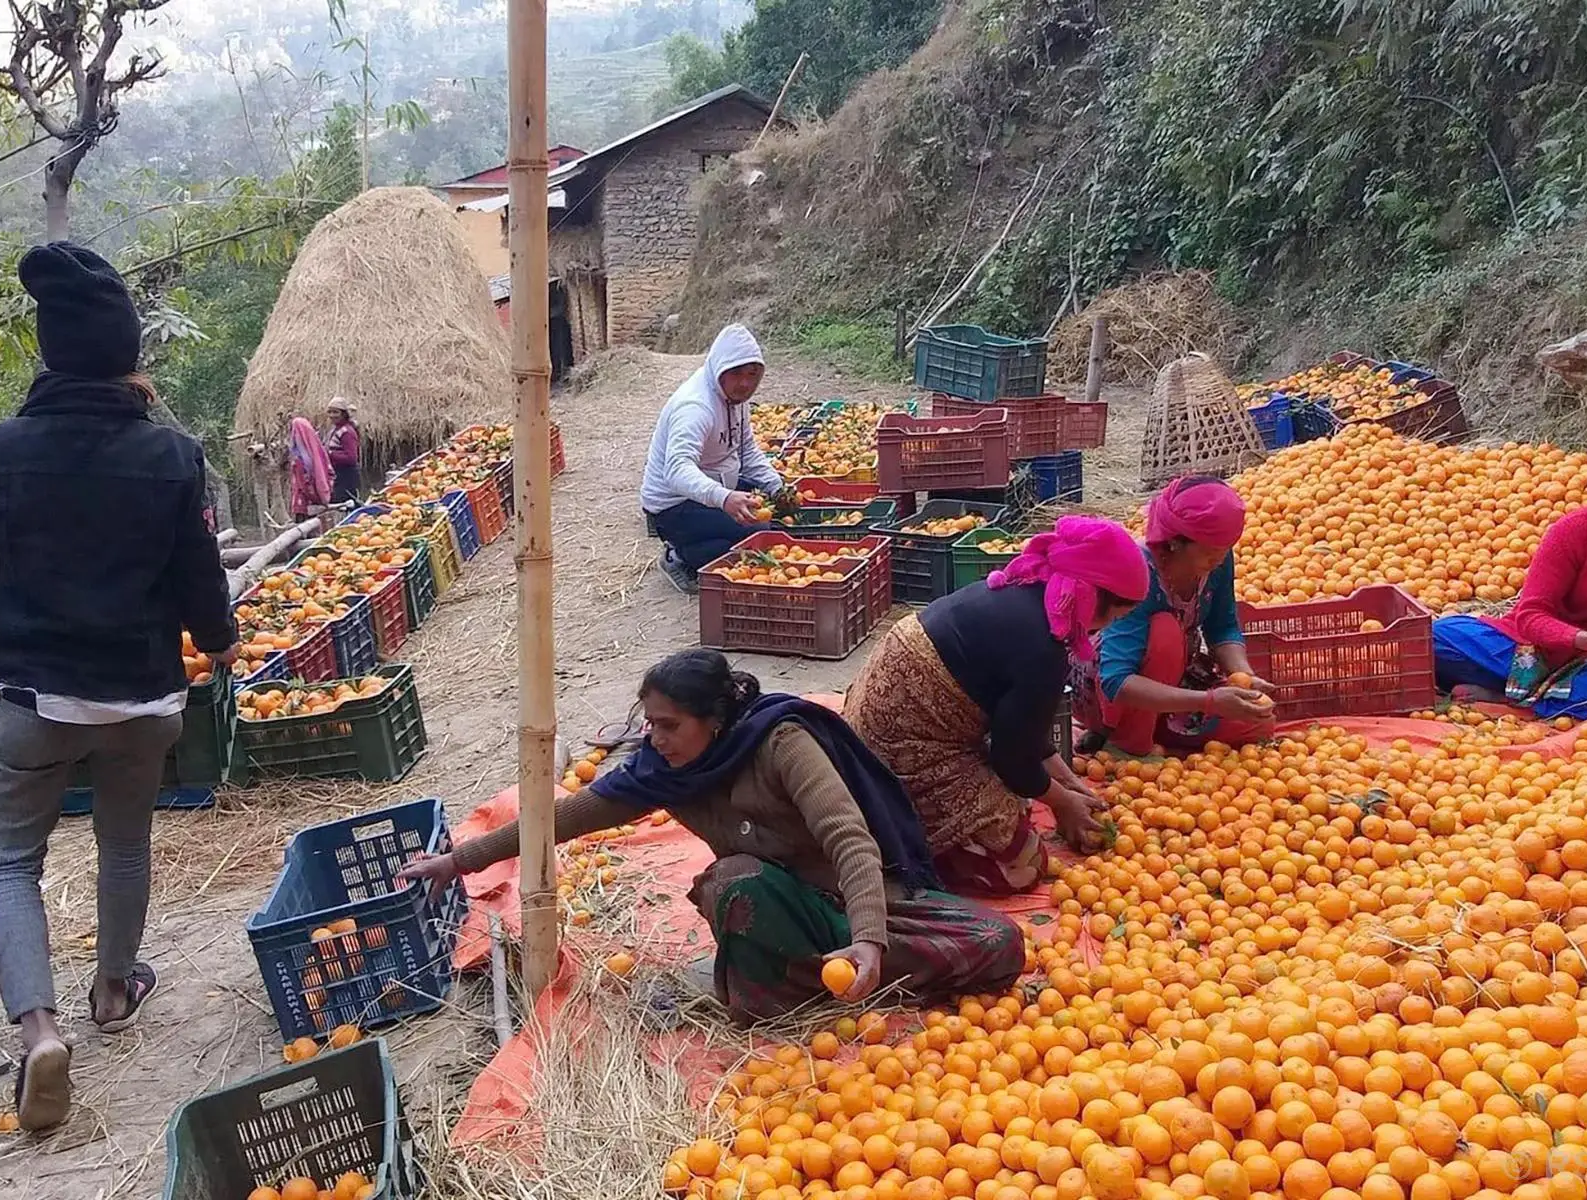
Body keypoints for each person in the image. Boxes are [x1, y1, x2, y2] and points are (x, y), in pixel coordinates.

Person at [399, 650, 1024, 1022]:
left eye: (670, 725)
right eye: (650, 725)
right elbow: (559, 819)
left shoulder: (782, 743)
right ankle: (802, 981)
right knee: (734, 880)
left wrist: (867, 939)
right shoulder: (662, 771)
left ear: (716, 721)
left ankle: (831, 972)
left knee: (998, 941)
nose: (656, 740)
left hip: (852, 900)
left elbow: (850, 838)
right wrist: (458, 861)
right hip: (779, 907)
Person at [0, 242, 239, 1132]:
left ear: (51, 354)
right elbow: (198, 580)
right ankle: (112, 991)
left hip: (35, 699)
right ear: (125, 355)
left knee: (10, 861)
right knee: (123, 845)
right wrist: (219, 645)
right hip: (142, 699)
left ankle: (38, 1029)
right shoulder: (171, 455)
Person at [843, 516, 1149, 895]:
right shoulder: (1044, 646)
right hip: (897, 748)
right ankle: (913, 850)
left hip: (872, 719)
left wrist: (1069, 784)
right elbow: (1012, 758)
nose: (1103, 630)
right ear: (1094, 596)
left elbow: (1023, 726)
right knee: (1021, 865)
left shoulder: (1026, 593)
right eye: (1116, 616)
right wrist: (1061, 802)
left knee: (1019, 801)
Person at [1075, 476, 1277, 757]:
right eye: (1209, 551)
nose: (1219, 559)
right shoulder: (1139, 574)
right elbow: (1116, 680)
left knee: (1258, 723)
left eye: (1224, 549)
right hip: (1105, 688)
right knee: (1165, 630)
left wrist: (1243, 676)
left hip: (1175, 679)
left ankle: (1160, 727)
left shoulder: (1217, 562)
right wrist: (1208, 701)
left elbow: (1223, 627)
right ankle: (1126, 742)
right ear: (1174, 543)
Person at [1432, 435, 1587, 719]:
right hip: (1533, 650)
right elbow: (1531, 615)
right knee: (1436, 637)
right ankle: (1544, 696)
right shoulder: (1572, 533)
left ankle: (1517, 702)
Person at [640, 324, 784, 594]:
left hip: (711, 487)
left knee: (768, 522)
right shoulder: (695, 407)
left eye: (752, 375)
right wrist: (724, 498)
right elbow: (677, 470)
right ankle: (680, 556)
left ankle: (699, 540)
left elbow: (748, 451)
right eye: (736, 374)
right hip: (675, 504)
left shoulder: (735, 400)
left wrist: (777, 486)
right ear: (719, 370)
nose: (744, 383)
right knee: (756, 535)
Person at [289, 414, 333, 524]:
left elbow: (310, 479)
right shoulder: (317, 451)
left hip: (307, 501)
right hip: (311, 499)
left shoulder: (304, 457)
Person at [323, 398, 362, 503]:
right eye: (330, 412)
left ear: (344, 414)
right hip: (336, 474)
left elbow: (351, 458)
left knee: (344, 504)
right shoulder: (334, 429)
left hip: (346, 476)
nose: (332, 415)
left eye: (336, 412)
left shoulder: (347, 432)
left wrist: (329, 454)